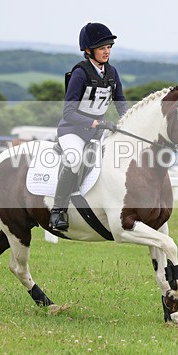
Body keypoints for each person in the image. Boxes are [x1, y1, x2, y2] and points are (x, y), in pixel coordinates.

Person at [49, 22, 128, 231]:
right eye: (102, 48)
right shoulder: (80, 73)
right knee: (74, 159)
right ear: (88, 50)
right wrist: (94, 122)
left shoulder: (112, 73)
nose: (107, 51)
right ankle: (58, 210)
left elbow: (120, 102)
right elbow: (68, 112)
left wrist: (128, 123)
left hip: (97, 132)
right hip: (72, 130)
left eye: (109, 47)